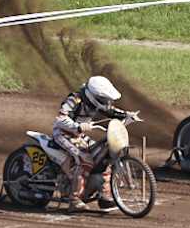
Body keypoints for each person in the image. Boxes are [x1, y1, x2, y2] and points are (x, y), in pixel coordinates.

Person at [53, 76, 135, 212]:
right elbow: (60, 118)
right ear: (92, 96)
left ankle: (104, 196)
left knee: (103, 157)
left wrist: (127, 115)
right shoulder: (75, 99)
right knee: (85, 160)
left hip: (79, 135)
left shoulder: (96, 102)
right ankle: (74, 199)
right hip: (63, 133)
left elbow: (111, 111)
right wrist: (77, 126)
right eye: (104, 99)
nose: (106, 102)